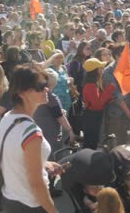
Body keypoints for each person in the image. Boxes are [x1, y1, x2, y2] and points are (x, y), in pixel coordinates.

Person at [0, 64, 63, 213]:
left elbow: (14, 156)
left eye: (46, 85)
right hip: (31, 205)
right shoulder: (31, 132)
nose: (46, 89)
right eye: (40, 87)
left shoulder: (7, 118)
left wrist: (43, 163)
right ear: (22, 93)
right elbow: (36, 183)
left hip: (9, 200)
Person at [33, 68, 75, 197]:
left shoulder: (36, 94)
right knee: (50, 161)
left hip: (38, 131)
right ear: (53, 83)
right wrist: (70, 131)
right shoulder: (51, 97)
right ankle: (49, 188)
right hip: (50, 134)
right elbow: (60, 117)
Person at [102, 44, 130, 145]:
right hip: (117, 113)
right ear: (117, 56)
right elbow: (116, 95)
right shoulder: (109, 71)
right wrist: (128, 112)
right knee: (116, 144)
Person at [81, 58, 115, 150]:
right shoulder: (91, 86)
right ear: (95, 70)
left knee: (92, 140)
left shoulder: (92, 83)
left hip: (93, 116)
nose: (103, 69)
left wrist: (108, 100)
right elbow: (97, 105)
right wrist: (110, 89)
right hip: (92, 116)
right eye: (101, 68)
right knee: (91, 142)